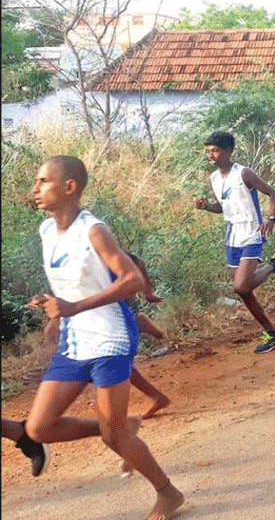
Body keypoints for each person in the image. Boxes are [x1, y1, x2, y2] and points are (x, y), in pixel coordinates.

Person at [25, 155, 184, 520]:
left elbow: (133, 281)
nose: (35, 189)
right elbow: (69, 281)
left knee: (115, 441)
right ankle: (121, 426)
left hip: (111, 337)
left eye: (43, 181)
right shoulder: (46, 231)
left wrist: (75, 307)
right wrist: (53, 308)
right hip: (76, 339)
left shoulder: (94, 230)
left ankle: (168, 492)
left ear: (70, 187)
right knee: (39, 427)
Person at [195, 131, 275, 354]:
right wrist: (206, 207)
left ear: (228, 151)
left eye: (215, 150)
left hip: (252, 230)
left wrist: (271, 219)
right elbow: (222, 207)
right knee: (244, 292)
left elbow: (273, 194)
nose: (210, 155)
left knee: (240, 285)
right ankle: (273, 334)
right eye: (208, 151)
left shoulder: (243, 173)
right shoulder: (214, 178)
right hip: (232, 234)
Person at [44, 251, 171, 421]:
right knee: (110, 362)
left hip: (111, 317)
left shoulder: (95, 250)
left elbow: (136, 262)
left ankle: (127, 417)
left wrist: (147, 292)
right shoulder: (74, 256)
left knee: (108, 361)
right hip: (96, 318)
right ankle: (139, 324)